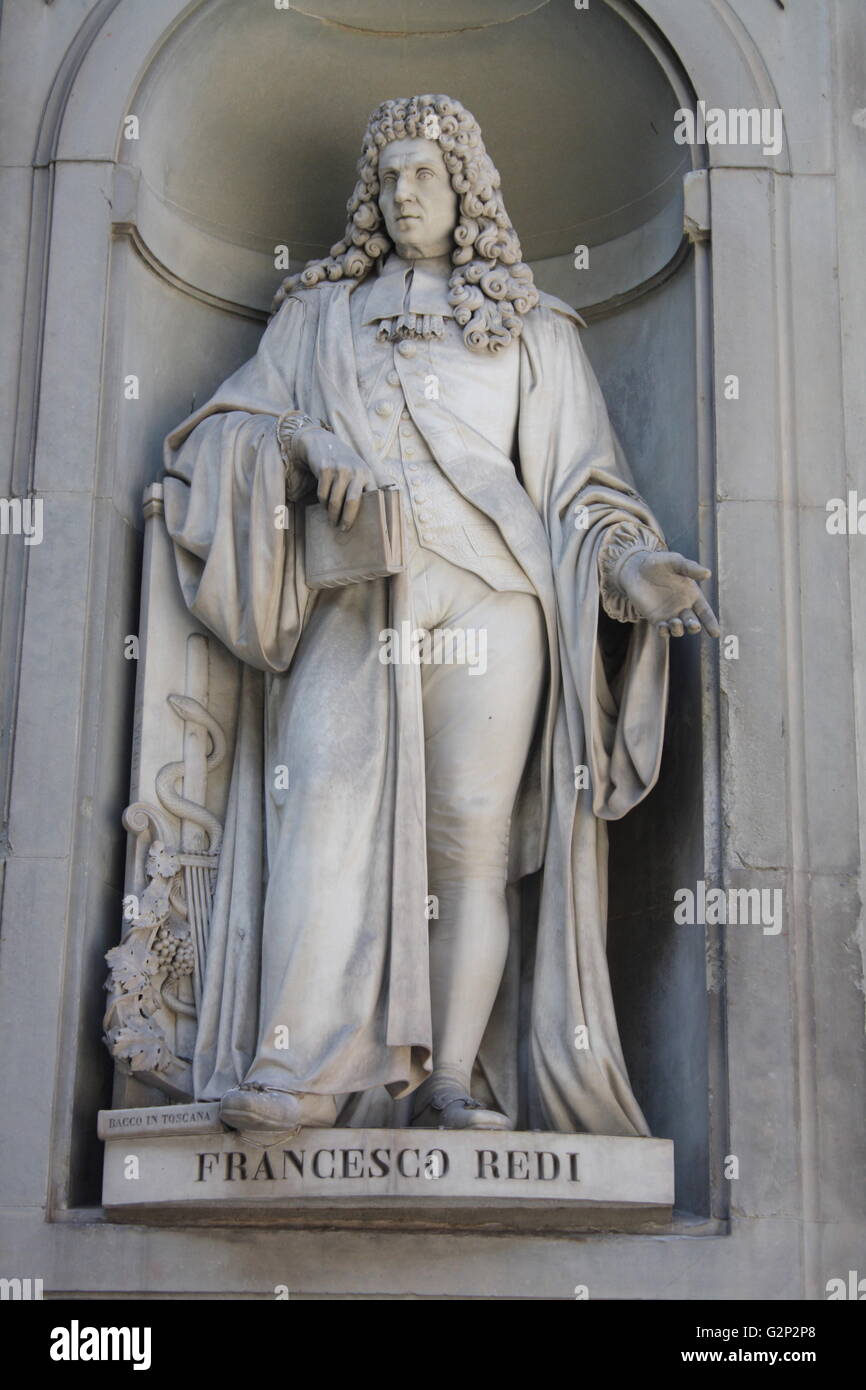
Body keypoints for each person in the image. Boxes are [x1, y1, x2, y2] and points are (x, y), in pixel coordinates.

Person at [163, 94, 718, 1136]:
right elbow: (209, 438)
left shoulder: (533, 330)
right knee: (322, 809)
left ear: (465, 190)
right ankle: (297, 1070)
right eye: (388, 177)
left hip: (496, 598)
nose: (402, 191)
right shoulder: (315, 318)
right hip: (360, 599)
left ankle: (450, 1079)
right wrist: (295, 440)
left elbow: (582, 493)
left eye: (423, 172)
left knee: (468, 844)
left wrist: (626, 571)